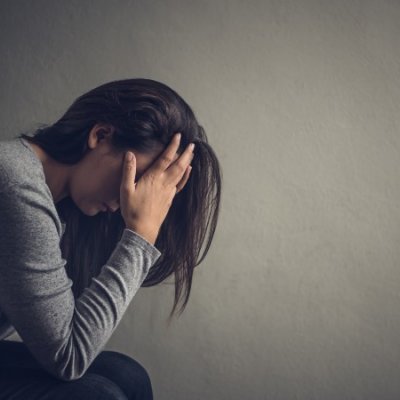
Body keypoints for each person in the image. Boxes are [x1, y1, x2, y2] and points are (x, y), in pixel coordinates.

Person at [0, 78, 222, 399]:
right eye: (135, 178)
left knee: (126, 375)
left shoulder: (54, 204)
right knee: (98, 395)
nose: (130, 198)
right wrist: (141, 234)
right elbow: (69, 357)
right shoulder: (17, 187)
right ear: (100, 135)